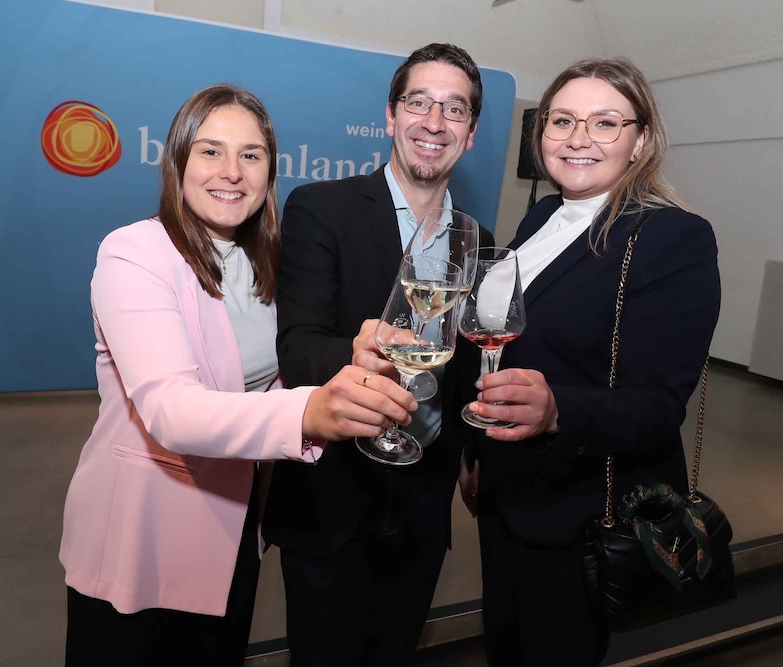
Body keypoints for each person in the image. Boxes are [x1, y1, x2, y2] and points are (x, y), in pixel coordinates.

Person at [59, 84, 417, 667]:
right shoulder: (134, 253)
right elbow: (171, 409)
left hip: (233, 532)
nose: (231, 172)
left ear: (270, 170)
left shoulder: (262, 264)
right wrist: (309, 413)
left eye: (251, 155)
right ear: (178, 161)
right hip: (141, 534)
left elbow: (275, 375)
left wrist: (352, 364)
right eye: (210, 151)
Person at [457, 58, 721, 666]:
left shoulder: (671, 237)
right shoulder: (543, 216)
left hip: (579, 514)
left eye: (605, 122)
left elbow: (656, 404)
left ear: (641, 139)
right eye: (563, 120)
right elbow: (505, 348)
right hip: (507, 493)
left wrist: (556, 411)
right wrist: (475, 456)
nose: (579, 138)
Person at [262, 44, 494, 666]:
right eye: (419, 103)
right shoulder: (321, 209)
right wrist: (356, 353)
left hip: (424, 499)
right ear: (390, 117)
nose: (435, 121)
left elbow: (465, 367)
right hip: (333, 495)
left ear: (470, 134)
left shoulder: (478, 239)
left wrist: (472, 455)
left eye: (455, 109)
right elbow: (300, 345)